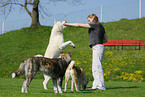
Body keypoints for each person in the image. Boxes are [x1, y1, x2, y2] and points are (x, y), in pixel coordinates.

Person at [64, 14, 108, 90]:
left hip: (97, 47)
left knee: (98, 67)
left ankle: (101, 86)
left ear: (93, 18)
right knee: (94, 68)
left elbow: (79, 25)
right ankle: (96, 85)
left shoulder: (96, 24)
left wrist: (68, 24)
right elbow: (105, 39)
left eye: (89, 20)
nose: (89, 22)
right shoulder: (99, 26)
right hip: (97, 47)